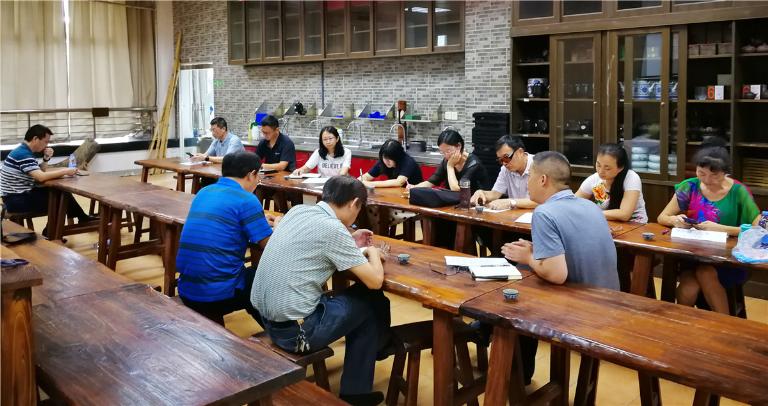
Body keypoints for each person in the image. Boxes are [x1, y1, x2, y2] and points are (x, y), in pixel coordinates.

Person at [251, 176, 391, 406]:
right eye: (360, 209)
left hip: (268, 321)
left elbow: (315, 242)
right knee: (371, 301)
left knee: (363, 300)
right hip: (297, 334)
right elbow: (375, 281)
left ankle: (374, 353)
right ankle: (359, 386)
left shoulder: (298, 212)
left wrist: (350, 239)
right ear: (354, 203)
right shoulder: (332, 229)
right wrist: (373, 251)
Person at [502, 151, 619, 385]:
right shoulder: (590, 206)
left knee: (515, 299)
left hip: (584, 310)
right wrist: (536, 250)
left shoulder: (544, 212)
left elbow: (556, 274)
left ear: (542, 179)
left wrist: (528, 256)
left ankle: (513, 376)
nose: (527, 183)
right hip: (610, 300)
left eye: (530, 176)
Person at [176, 151, 279, 326]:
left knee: (246, 276)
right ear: (251, 175)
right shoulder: (247, 199)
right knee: (262, 278)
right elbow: (270, 245)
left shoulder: (204, 192)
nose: (258, 181)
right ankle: (283, 335)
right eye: (258, 176)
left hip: (187, 289)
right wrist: (277, 224)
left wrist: (259, 219)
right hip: (216, 295)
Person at [657, 142, 760, 314]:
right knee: (689, 288)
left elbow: (759, 230)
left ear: (725, 172)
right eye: (701, 173)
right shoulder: (690, 186)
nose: (706, 180)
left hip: (728, 258)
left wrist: (721, 228)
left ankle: (725, 325)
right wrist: (676, 220)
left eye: (714, 175)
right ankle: (684, 326)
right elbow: (662, 217)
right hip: (692, 255)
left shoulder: (739, 191)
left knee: (705, 273)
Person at [0, 124, 94, 237]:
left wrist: (46, 159)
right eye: (45, 142)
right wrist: (65, 171)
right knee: (61, 200)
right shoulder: (23, 154)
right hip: (15, 200)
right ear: (35, 139)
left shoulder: (23, 151)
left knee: (60, 193)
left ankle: (78, 219)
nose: (47, 145)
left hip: (15, 196)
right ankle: (54, 232)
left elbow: (39, 171)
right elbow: (41, 177)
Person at [576, 143, 648, 223]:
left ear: (620, 168)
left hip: (635, 225)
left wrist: (592, 213)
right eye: (598, 165)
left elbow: (624, 214)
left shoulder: (631, 178)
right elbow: (574, 202)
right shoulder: (594, 179)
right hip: (606, 224)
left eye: (607, 168)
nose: (601, 171)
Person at [411, 129, 490, 192]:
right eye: (442, 152)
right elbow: (432, 181)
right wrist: (413, 187)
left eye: (448, 151)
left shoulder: (473, 164)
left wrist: (450, 166)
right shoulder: (447, 160)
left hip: (473, 203)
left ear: (459, 146)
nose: (446, 156)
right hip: (453, 201)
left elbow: (457, 189)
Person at [470, 135, 538, 210]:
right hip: (515, 214)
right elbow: (495, 193)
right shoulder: (505, 169)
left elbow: (541, 201)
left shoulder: (539, 165)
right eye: (501, 160)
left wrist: (511, 202)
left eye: (506, 158)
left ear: (520, 152)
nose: (504, 163)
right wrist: (482, 193)